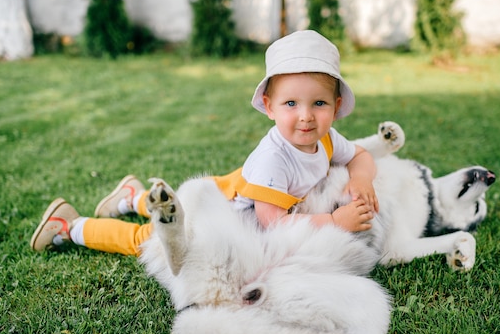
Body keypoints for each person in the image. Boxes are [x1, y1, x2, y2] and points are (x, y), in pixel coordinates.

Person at [30, 30, 379, 256]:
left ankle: (130, 198)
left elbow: (360, 155)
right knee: (151, 244)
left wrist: (360, 179)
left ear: (335, 107)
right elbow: (275, 224)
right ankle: (71, 226)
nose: (305, 116)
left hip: (226, 187)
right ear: (269, 107)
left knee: (170, 208)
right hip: (217, 211)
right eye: (291, 104)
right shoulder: (275, 159)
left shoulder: (327, 139)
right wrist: (335, 222)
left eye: (318, 103)